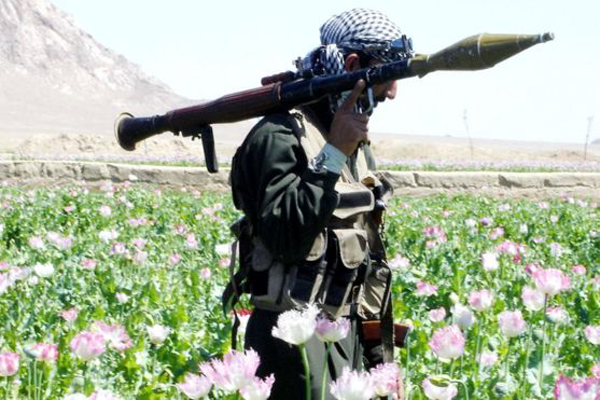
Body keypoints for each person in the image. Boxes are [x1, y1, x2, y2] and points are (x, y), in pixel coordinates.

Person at [226, 8, 411, 399]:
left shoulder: (351, 140)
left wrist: (377, 354)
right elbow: (284, 237)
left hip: (345, 336)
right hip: (290, 345)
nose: (393, 92)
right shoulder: (279, 135)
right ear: (353, 66)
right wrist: (332, 154)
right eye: (389, 75)